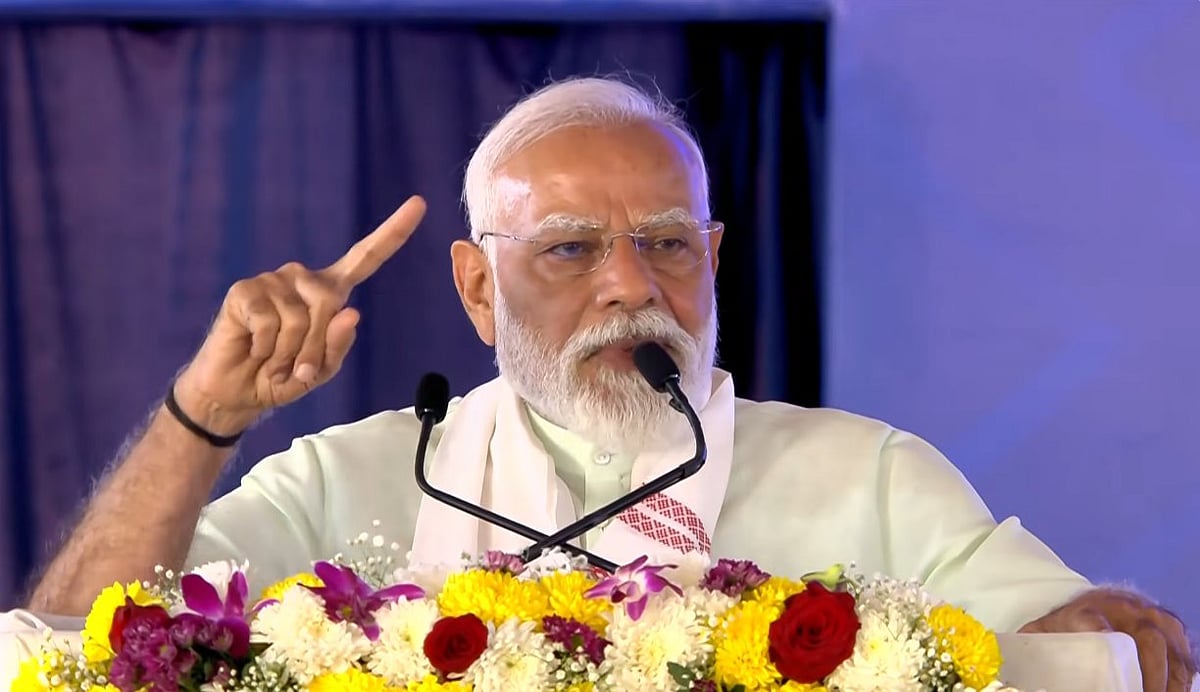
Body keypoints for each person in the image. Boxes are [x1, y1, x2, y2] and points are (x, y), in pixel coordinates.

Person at [19, 77, 1195, 691]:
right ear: (477, 288)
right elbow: (62, 646)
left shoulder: (867, 475)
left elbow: (1095, 647)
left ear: (713, 259)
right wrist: (203, 418)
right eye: (572, 248)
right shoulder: (355, 476)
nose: (632, 285)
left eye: (668, 243)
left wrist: (1110, 626)